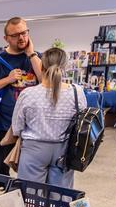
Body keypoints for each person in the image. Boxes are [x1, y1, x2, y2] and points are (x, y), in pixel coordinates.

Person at [11, 48, 86, 188]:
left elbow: (17, 127)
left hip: (33, 150)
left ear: (41, 66)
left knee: (30, 197)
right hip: (64, 150)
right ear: (65, 67)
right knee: (60, 198)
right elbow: (81, 123)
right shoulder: (77, 92)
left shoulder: (28, 94)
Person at [0, 17, 42, 174]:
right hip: (4, 126)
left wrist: (32, 54)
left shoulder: (36, 58)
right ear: (6, 38)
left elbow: (47, 82)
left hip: (32, 127)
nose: (21, 37)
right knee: (1, 172)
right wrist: (7, 79)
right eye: (15, 35)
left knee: (31, 173)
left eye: (24, 33)